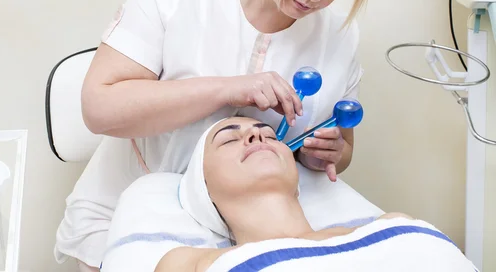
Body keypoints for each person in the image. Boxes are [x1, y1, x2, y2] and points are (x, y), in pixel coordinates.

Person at [54, 0, 377, 271]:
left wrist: (328, 153)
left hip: (257, 226)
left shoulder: (339, 37)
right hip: (131, 211)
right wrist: (230, 89)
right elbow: (99, 109)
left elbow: (343, 149)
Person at [154, 116, 477, 272]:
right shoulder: (188, 263)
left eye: (269, 134)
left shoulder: (393, 224)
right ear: (202, 187)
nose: (257, 134)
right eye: (228, 140)